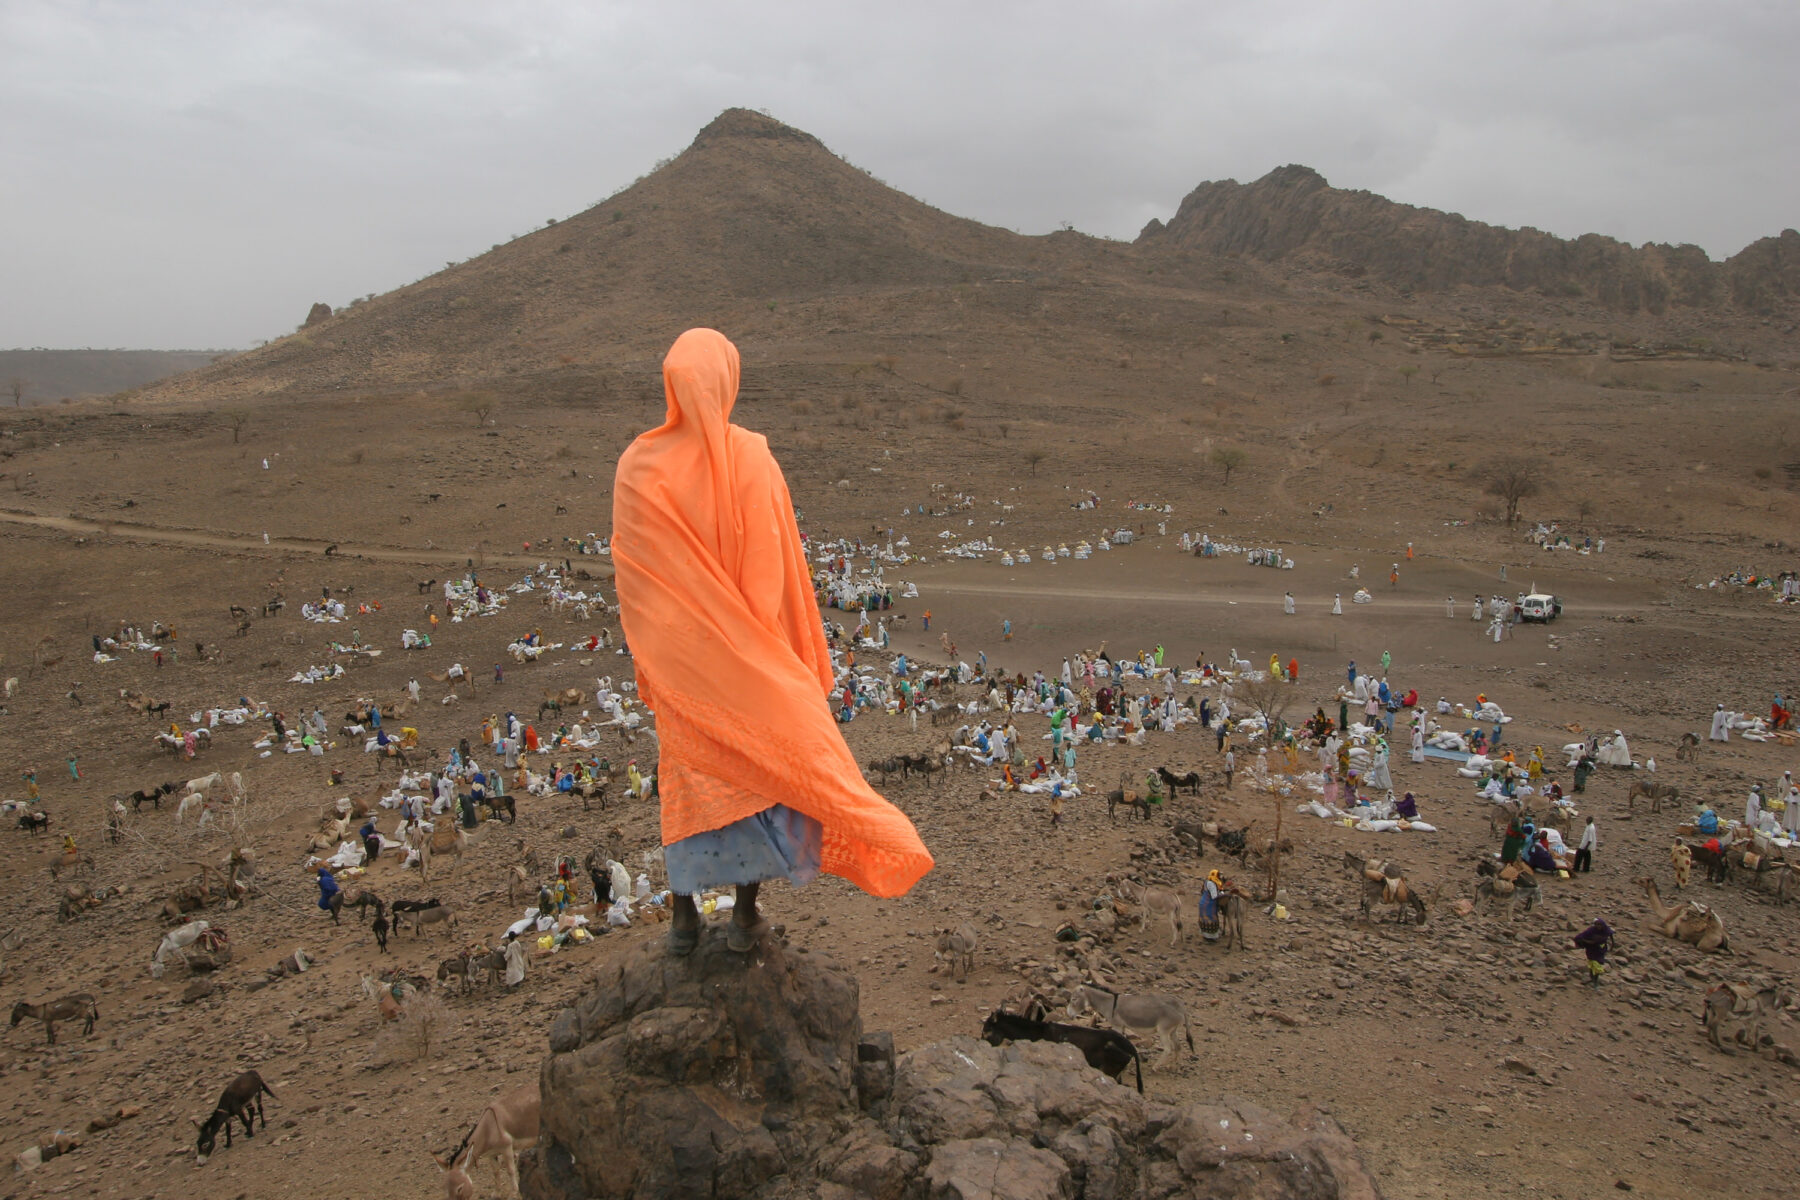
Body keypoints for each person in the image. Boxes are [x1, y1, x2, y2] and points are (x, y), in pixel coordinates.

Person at [612, 329, 932, 956]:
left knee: (689, 777)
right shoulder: (752, 457)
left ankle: (683, 920)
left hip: (679, 665)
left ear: (671, 383)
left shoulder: (636, 465)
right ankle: (745, 916)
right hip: (751, 659)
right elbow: (777, 567)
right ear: (728, 380)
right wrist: (772, 650)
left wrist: (663, 651)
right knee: (767, 772)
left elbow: (636, 579)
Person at [1572, 918, 1614, 987]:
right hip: (1591, 949)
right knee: (1592, 964)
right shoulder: (1591, 930)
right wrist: (1581, 942)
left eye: (1600, 925)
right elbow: (1581, 936)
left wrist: (1612, 947)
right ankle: (1592, 978)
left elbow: (1611, 937)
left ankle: (1595, 981)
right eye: (1596, 924)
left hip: (1600, 949)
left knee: (1597, 964)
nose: (1598, 926)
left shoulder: (1606, 930)